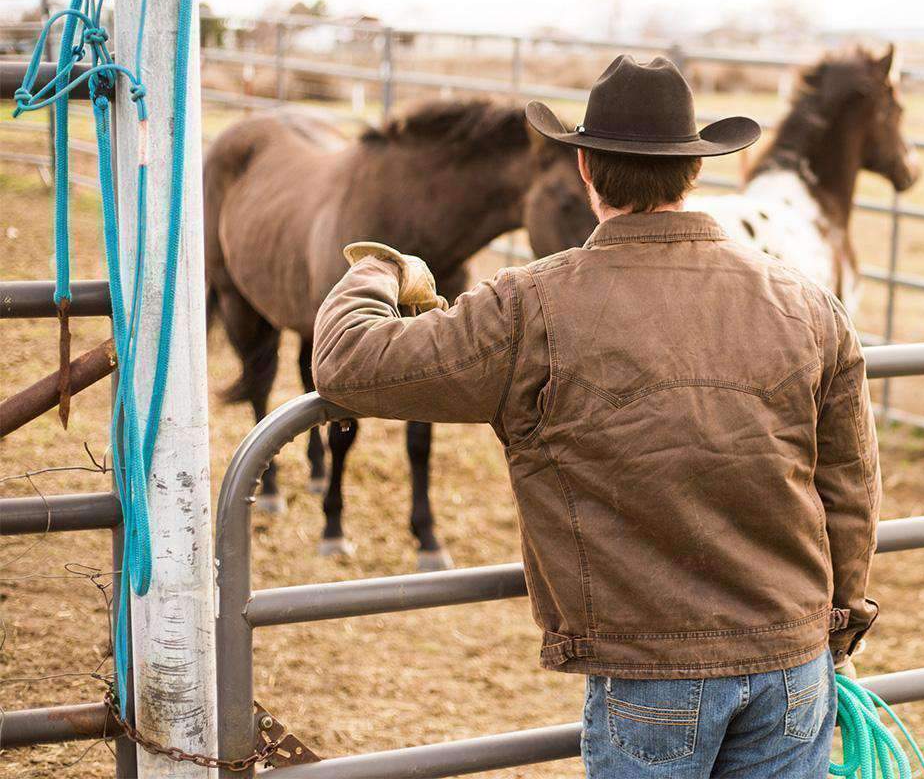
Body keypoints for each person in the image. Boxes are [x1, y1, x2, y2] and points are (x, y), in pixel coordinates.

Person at [312, 55, 881, 779]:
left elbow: (348, 363)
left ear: (584, 167)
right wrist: (838, 621)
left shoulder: (531, 306)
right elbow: (850, 482)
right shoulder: (804, 301)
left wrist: (379, 269)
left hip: (650, 666)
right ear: (695, 171)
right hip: (791, 667)